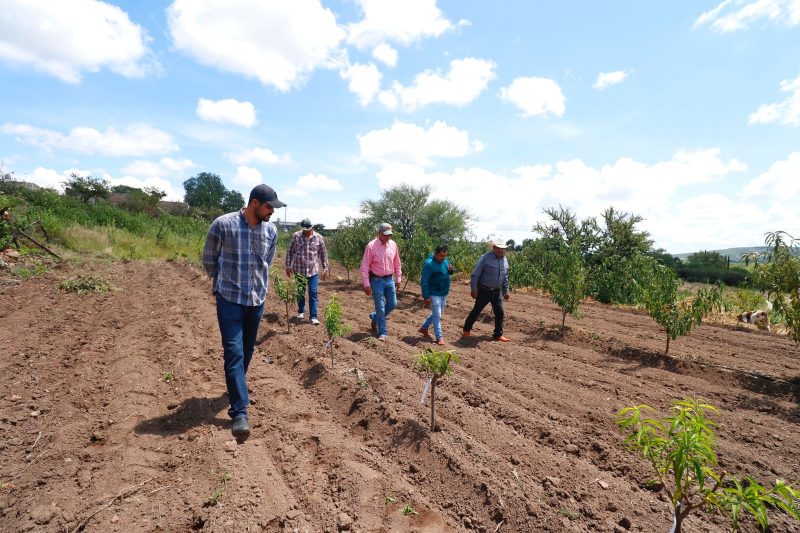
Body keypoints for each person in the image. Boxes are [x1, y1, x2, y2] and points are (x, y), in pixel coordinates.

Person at [201, 184, 285, 438]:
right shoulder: (223, 225)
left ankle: (236, 387)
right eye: (270, 207)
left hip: (256, 300)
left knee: (247, 350)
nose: (273, 212)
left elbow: (266, 263)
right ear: (255, 203)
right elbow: (208, 258)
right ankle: (239, 412)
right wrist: (219, 285)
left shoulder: (271, 231)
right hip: (230, 299)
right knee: (234, 352)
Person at [359, 222, 402, 341]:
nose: (388, 237)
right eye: (385, 234)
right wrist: (366, 284)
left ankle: (375, 317)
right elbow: (365, 266)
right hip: (376, 280)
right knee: (381, 308)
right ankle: (382, 332)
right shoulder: (371, 246)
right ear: (379, 233)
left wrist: (398, 278)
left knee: (393, 304)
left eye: (390, 235)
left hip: (389, 279)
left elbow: (397, 263)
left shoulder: (393, 245)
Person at [462, 239, 511, 342]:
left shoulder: (505, 260)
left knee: (500, 313)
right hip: (484, 290)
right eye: (498, 248)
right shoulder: (485, 258)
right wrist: (474, 289)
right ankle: (466, 330)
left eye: (502, 249)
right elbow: (475, 275)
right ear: (494, 248)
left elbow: (505, 277)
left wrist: (506, 291)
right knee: (477, 311)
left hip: (497, 291)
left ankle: (498, 335)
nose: (500, 250)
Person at [285, 218, 329, 325]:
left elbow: (323, 253)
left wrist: (325, 268)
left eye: (308, 229)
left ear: (312, 227)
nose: (306, 231)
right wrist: (288, 266)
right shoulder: (296, 236)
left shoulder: (318, 237)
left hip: (313, 270)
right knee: (300, 292)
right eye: (304, 229)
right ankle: (301, 311)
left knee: (313, 293)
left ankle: (313, 316)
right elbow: (290, 251)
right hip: (299, 269)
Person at [419, 244, 454, 345]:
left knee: (437, 313)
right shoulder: (429, 264)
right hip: (434, 293)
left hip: (444, 292)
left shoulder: (445, 261)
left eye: (445, 256)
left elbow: (447, 272)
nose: (443, 258)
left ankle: (424, 328)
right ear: (435, 254)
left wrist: (451, 271)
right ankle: (439, 337)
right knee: (437, 315)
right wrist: (426, 296)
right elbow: (424, 281)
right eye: (441, 256)